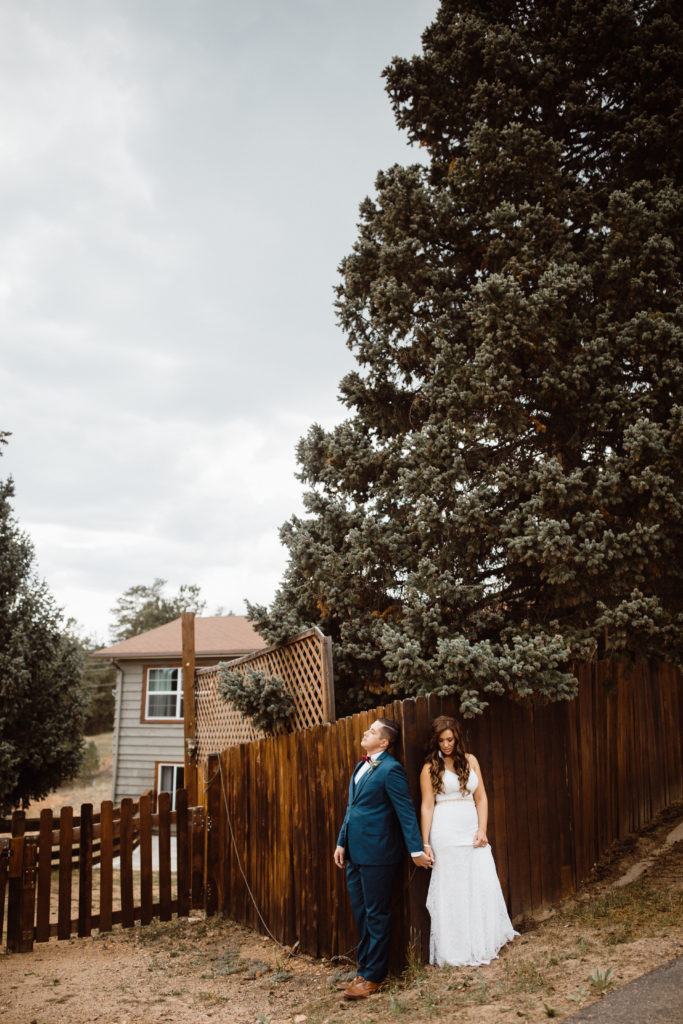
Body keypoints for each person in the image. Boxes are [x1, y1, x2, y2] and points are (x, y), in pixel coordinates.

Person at [334, 717, 433, 999]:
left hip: (379, 854)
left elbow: (405, 811)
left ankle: (375, 977)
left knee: (377, 914)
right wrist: (341, 842)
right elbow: (352, 809)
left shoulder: (391, 770)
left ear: (385, 741)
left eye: (372, 731)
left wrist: (416, 850)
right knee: (361, 913)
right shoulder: (361, 765)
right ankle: (363, 971)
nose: (366, 733)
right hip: (354, 853)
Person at [420, 715, 517, 966]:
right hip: (445, 832)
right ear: (435, 741)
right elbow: (427, 807)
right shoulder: (429, 768)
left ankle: (485, 937)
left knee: (481, 881)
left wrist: (482, 829)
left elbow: (481, 798)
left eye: (450, 739)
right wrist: (425, 843)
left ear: (457, 738)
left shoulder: (471, 761)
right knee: (454, 889)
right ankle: (458, 946)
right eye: (441, 740)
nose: (446, 745)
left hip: (472, 830)